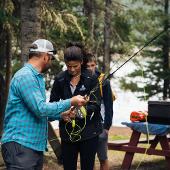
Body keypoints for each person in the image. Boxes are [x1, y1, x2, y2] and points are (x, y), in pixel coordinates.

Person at [1, 39, 88, 170]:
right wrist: (71, 101)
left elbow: (37, 112)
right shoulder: (26, 76)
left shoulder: (36, 77)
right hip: (21, 146)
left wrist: (61, 115)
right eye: (51, 58)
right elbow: (41, 109)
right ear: (46, 56)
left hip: (32, 146)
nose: (51, 61)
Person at [50, 42, 102, 170]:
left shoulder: (92, 77)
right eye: (69, 66)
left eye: (75, 66)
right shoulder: (60, 79)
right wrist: (63, 114)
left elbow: (96, 105)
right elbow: (52, 104)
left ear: (82, 62)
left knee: (88, 167)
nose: (72, 69)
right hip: (68, 133)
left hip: (90, 132)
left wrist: (80, 110)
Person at [85, 53, 113, 170]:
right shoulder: (80, 78)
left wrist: (107, 126)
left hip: (100, 124)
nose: (90, 68)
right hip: (85, 124)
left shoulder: (104, 80)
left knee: (102, 157)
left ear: (95, 64)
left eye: (93, 65)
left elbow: (109, 105)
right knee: (87, 158)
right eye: (87, 66)